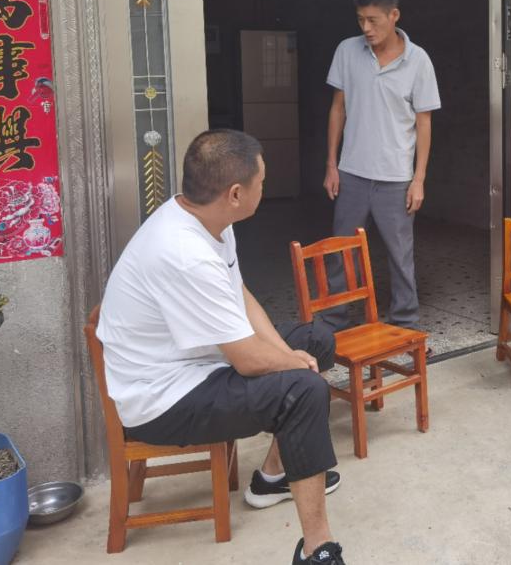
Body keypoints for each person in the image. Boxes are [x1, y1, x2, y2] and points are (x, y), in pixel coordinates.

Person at [97, 130, 347, 565]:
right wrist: (291, 367)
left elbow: (239, 296)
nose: (264, 188)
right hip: (163, 398)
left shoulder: (209, 221)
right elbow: (247, 360)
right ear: (235, 194)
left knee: (315, 341)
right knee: (306, 390)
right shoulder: (183, 251)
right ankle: (317, 549)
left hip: (197, 361)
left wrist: (289, 355)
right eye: (261, 182)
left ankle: (274, 476)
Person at [323, 0, 441, 330]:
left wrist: (419, 179)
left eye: (373, 20)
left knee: (400, 254)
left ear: (394, 15)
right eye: (360, 19)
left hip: (396, 177)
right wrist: (331, 164)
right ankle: (334, 320)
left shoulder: (418, 60)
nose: (366, 28)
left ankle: (405, 321)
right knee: (342, 251)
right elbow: (338, 109)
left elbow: (424, 122)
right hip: (352, 172)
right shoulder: (347, 51)